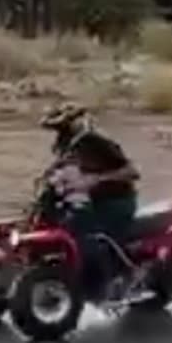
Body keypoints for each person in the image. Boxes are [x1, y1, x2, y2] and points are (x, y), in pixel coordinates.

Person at [39, 103, 141, 299]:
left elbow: (132, 172)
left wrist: (96, 179)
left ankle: (111, 283)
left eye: (63, 127)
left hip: (117, 202)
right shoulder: (67, 147)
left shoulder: (97, 142)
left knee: (88, 233)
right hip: (94, 201)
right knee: (62, 223)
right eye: (56, 129)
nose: (59, 133)